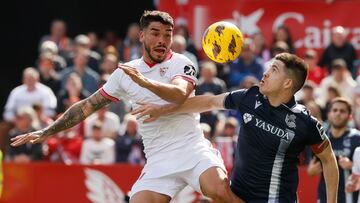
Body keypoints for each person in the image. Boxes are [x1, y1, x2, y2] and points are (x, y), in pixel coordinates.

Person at [10, 10, 243, 203]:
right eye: (155, 33)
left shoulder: (182, 63)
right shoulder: (124, 73)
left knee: (219, 192)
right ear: (141, 36)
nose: (162, 40)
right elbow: (87, 106)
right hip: (158, 158)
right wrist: (47, 131)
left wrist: (143, 81)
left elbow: (180, 94)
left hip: (192, 148)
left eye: (167, 35)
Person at [129, 52, 339, 202]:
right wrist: (163, 109)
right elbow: (209, 102)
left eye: (273, 70)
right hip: (236, 197)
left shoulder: (304, 122)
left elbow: (329, 161)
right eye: (268, 67)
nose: (265, 73)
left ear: (287, 84)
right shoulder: (250, 97)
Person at [307, 98, 360, 203]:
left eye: (342, 111)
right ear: (329, 114)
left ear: (350, 116)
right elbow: (310, 169)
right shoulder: (319, 137)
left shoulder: (357, 138)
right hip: (324, 197)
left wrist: (352, 165)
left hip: (349, 197)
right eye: (334, 110)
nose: (338, 113)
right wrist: (312, 170)